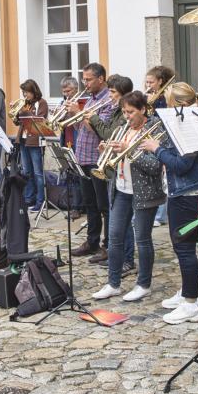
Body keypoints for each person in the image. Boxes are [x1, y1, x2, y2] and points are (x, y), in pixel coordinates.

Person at [139, 82, 198, 324]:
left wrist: (156, 148)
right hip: (182, 192)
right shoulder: (184, 122)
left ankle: (192, 303)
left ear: (178, 105)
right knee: (182, 249)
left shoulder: (189, 125)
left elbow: (182, 165)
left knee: (185, 249)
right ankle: (186, 291)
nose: (164, 107)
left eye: (168, 103)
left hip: (188, 195)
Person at [91, 91, 165, 302]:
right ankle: (113, 283)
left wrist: (129, 151)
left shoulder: (154, 129)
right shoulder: (122, 128)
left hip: (144, 192)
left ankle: (144, 284)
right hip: (121, 188)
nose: (127, 116)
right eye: (124, 112)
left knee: (142, 239)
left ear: (143, 109)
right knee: (114, 237)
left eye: (131, 112)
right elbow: (119, 155)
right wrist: (109, 150)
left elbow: (154, 166)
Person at [84, 74, 135, 272]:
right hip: (115, 167)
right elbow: (109, 137)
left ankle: (127, 259)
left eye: (113, 92)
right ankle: (118, 256)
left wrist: (95, 119)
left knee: (123, 219)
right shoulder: (117, 110)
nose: (110, 95)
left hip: (121, 170)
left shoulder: (123, 114)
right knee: (117, 217)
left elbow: (107, 133)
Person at [70, 63, 115, 260]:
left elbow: (98, 129)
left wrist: (76, 112)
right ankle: (92, 241)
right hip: (83, 157)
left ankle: (108, 245)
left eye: (88, 80)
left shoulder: (108, 100)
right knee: (90, 204)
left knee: (103, 205)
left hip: (98, 159)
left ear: (101, 79)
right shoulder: (90, 99)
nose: (85, 83)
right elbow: (82, 124)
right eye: (84, 79)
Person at [145, 66, 175, 227]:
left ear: (160, 82)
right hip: (152, 138)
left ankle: (161, 215)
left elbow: (163, 119)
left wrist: (153, 105)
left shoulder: (165, 98)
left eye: (151, 82)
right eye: (147, 81)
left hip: (164, 138)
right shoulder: (150, 97)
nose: (148, 85)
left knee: (164, 176)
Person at [13, 79, 48, 213]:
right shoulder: (25, 104)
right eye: (23, 92)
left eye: (27, 92)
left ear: (34, 91)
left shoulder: (41, 103)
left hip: (35, 141)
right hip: (23, 140)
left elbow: (40, 120)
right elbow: (18, 122)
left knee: (38, 173)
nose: (25, 95)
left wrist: (24, 112)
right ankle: (29, 198)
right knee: (27, 171)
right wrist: (16, 114)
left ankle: (40, 201)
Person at [58, 76, 84, 220]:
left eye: (68, 91)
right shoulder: (63, 102)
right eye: (64, 91)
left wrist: (72, 111)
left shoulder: (81, 103)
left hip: (77, 143)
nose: (66, 93)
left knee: (79, 177)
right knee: (71, 177)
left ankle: (77, 207)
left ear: (75, 89)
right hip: (66, 142)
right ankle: (74, 204)